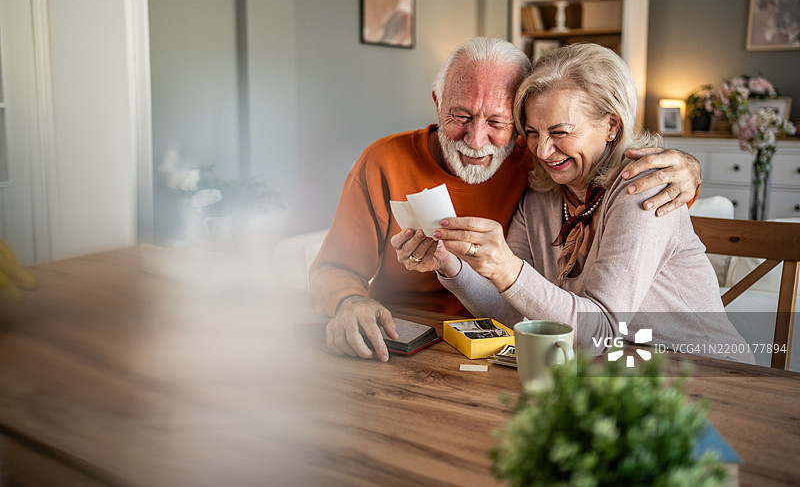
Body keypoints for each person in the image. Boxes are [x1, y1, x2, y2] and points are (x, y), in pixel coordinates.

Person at [311, 37, 702, 363]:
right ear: (436, 102)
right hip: (424, 342)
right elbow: (518, 306)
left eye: (497, 123)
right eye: (460, 115)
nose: (477, 139)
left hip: (673, 367)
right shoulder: (541, 184)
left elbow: (594, 325)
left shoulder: (557, 170)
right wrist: (444, 264)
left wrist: (691, 169)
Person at [393, 43, 752, 363]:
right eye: (532, 133)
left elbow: (600, 332)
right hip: (615, 379)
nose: (544, 151)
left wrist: (507, 268)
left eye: (561, 132)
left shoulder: (643, 187)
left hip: (704, 376)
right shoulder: (542, 194)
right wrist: (452, 264)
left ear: (611, 125)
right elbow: (521, 313)